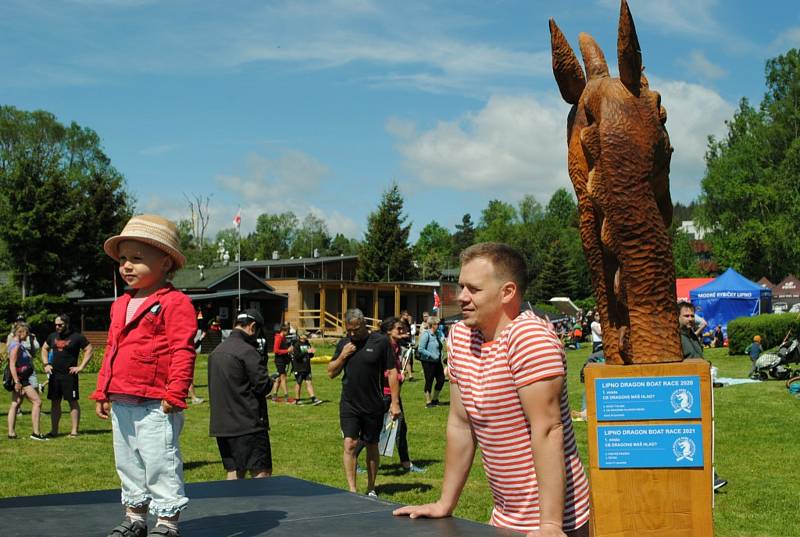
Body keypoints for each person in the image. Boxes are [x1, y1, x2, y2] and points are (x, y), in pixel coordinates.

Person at [394, 242, 590, 536]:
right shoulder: (460, 337)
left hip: (559, 522)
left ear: (507, 292)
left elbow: (547, 429)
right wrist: (445, 503)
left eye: (473, 289)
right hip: (505, 517)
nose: (461, 297)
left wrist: (550, 524)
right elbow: (461, 424)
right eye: (461, 287)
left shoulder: (529, 338)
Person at [91, 214, 197, 537]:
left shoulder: (175, 303)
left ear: (165, 263)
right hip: (121, 397)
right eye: (123, 258)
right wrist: (102, 390)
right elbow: (111, 348)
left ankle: (166, 523)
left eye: (137, 258)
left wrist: (175, 393)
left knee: (160, 462)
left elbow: (183, 350)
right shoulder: (120, 304)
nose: (126, 265)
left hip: (156, 402)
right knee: (128, 462)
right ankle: (135, 517)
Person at [327, 308, 400, 497]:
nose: (352, 334)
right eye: (349, 330)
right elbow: (330, 373)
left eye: (356, 330)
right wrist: (343, 355)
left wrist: (394, 402)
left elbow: (392, 372)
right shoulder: (345, 344)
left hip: (373, 403)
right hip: (349, 403)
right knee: (350, 444)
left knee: (371, 445)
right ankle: (352, 489)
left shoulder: (381, 342)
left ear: (364, 325)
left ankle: (371, 487)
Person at [355, 317, 426, 474]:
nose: (403, 331)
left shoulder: (397, 348)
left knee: (401, 429)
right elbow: (378, 371)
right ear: (388, 331)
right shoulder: (382, 348)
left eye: (403, 328)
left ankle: (406, 464)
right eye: (399, 329)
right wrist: (397, 376)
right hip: (381, 396)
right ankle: (352, 457)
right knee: (372, 430)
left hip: (393, 396)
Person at [208, 310, 274, 480]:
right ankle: (261, 506)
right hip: (248, 424)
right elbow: (262, 386)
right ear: (253, 327)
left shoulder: (216, 351)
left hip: (223, 425)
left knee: (235, 472)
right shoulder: (247, 351)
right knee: (261, 473)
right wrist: (270, 380)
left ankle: (233, 507)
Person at [677, 300, 728, 493]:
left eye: (692, 315)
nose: (691, 319)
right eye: (686, 316)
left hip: (698, 391)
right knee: (691, 438)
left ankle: (705, 477)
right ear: (677, 317)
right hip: (684, 394)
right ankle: (707, 478)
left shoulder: (691, 335)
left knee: (700, 436)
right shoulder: (675, 338)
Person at [41, 314, 93, 437]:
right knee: (55, 402)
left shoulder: (77, 337)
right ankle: (54, 431)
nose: (57, 327)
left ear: (67, 324)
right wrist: (46, 364)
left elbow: (89, 349)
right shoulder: (52, 336)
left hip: (69, 375)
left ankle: (74, 431)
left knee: (72, 402)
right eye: (56, 325)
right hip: (54, 375)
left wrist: (81, 367)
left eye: (60, 325)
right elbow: (44, 349)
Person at [7, 322, 47, 440]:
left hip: (20, 378)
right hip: (21, 379)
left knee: (15, 403)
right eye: (26, 332)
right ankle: (36, 433)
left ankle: (11, 433)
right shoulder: (17, 346)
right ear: (20, 332)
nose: (28, 335)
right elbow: (12, 365)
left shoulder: (15, 344)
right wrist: (17, 382)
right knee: (37, 402)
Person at [417, 317, 446, 408]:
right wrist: (431, 355)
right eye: (437, 324)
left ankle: (435, 399)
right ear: (432, 325)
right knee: (429, 380)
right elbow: (420, 349)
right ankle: (428, 402)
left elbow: (440, 346)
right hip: (428, 362)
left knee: (441, 380)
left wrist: (441, 355)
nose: (438, 326)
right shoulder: (426, 335)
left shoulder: (437, 334)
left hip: (437, 362)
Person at [291, 332, 322, 405]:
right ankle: (297, 400)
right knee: (299, 383)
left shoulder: (307, 343)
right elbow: (297, 356)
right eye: (305, 334)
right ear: (300, 336)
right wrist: (306, 351)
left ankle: (313, 399)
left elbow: (309, 356)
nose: (306, 336)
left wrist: (312, 353)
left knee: (309, 382)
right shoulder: (297, 344)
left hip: (307, 367)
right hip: (299, 367)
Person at [270, 324, 293, 403]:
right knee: (283, 378)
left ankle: (274, 396)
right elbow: (276, 350)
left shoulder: (283, 337)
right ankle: (286, 397)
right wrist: (287, 351)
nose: (289, 332)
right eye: (288, 331)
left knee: (278, 379)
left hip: (283, 360)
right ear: (284, 330)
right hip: (280, 361)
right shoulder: (278, 338)